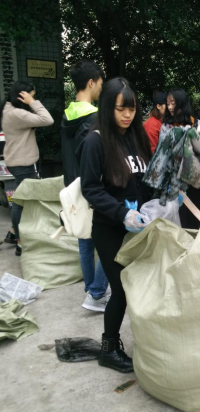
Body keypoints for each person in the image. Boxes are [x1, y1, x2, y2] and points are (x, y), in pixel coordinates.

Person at [78, 77, 152, 373]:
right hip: (110, 228)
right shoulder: (95, 141)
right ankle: (109, 348)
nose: (127, 115)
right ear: (108, 107)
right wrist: (123, 214)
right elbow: (91, 189)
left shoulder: (135, 136)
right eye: (121, 109)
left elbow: (144, 178)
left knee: (141, 285)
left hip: (139, 227)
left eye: (132, 109)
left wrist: (164, 197)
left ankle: (147, 340)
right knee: (120, 289)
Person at [61, 59, 110, 312]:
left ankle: (92, 291)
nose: (101, 87)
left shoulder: (67, 114)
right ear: (91, 82)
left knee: (84, 239)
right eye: (100, 83)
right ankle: (97, 292)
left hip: (72, 185)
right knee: (108, 240)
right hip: (92, 186)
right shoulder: (93, 117)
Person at [0, 81, 54, 256]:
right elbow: (48, 119)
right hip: (22, 163)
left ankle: (13, 232)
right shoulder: (18, 114)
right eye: (31, 95)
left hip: (16, 160)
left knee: (22, 200)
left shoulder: (8, 109)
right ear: (22, 97)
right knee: (21, 203)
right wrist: (33, 103)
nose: (33, 98)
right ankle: (20, 242)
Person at [160, 88, 200, 230]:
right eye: (168, 103)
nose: (170, 107)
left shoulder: (198, 124)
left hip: (193, 181)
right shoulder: (166, 126)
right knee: (176, 221)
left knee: (194, 220)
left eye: (173, 103)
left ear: (182, 103)